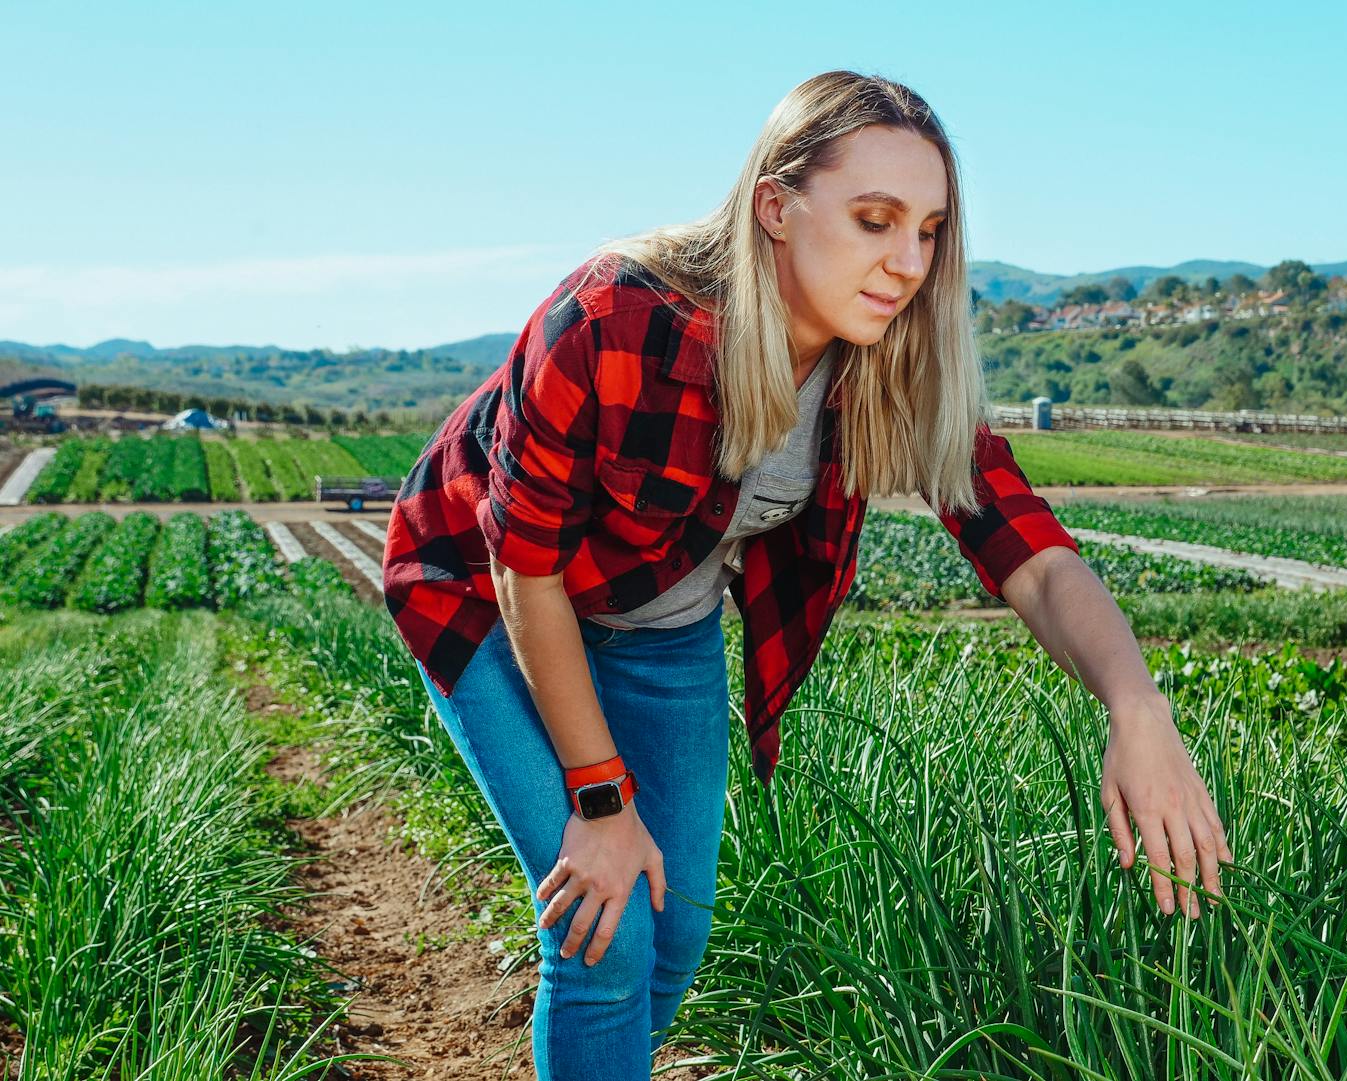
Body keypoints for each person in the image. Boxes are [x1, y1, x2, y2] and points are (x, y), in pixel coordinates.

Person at [381, 69, 1233, 1079]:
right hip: (482, 591)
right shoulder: (612, 318)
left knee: (672, 940)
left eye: (928, 230)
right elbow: (529, 569)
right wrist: (600, 800)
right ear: (775, 208)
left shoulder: (892, 362)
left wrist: (1137, 706)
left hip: (663, 621)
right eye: (875, 220)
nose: (908, 262)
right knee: (605, 935)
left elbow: (1031, 555)